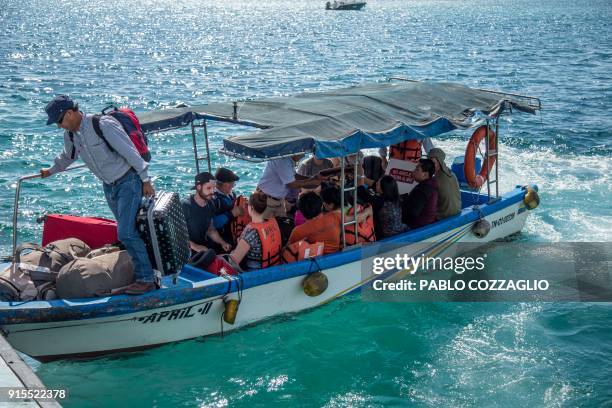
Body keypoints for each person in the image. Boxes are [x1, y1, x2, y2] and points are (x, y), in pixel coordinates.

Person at [40, 95, 156, 295]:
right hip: (109, 186)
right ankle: (142, 270)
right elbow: (68, 157)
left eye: (60, 121)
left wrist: (145, 180)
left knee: (126, 232)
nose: (59, 126)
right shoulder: (70, 135)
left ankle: (146, 279)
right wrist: (50, 171)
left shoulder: (102, 124)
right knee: (129, 231)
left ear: (69, 113)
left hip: (128, 181)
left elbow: (130, 152)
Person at [256, 155, 324, 219]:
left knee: (281, 225)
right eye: (302, 154)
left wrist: (312, 178)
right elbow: (291, 184)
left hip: (279, 201)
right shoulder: (282, 160)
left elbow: (294, 176)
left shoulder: (288, 160)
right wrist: (311, 181)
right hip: (266, 200)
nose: (302, 156)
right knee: (266, 226)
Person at [182, 172, 232, 255]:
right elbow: (177, 235)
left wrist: (222, 243)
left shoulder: (210, 203)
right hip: (190, 252)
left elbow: (210, 229)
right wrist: (196, 247)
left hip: (206, 248)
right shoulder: (185, 206)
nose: (212, 191)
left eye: (213, 188)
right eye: (208, 188)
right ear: (198, 187)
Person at [230, 192, 282, 270]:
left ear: (251, 208)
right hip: (274, 269)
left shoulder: (251, 232)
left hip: (257, 275)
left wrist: (232, 253)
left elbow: (234, 262)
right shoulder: (273, 222)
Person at [401, 159, 438, 229]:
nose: (413, 171)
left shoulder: (423, 190)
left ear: (425, 174)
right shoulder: (430, 184)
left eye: (417, 169)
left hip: (417, 227)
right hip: (426, 224)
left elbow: (412, 213)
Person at [210, 167, 242, 244]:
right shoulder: (213, 200)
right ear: (223, 185)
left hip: (233, 232)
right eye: (231, 184)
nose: (233, 186)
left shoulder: (231, 194)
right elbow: (212, 225)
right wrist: (231, 214)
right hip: (221, 238)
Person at [428, 148, 461, 220]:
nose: (430, 166)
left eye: (433, 163)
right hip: (457, 212)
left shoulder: (435, 180)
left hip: (443, 216)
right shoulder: (452, 174)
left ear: (439, 162)